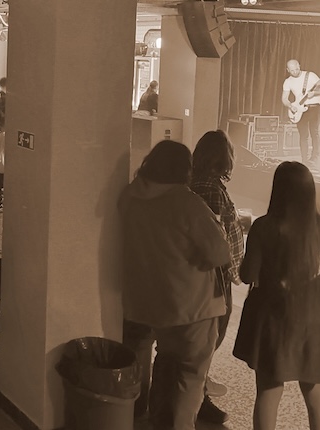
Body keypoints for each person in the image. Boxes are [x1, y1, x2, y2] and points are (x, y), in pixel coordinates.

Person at [233, 161, 320, 430]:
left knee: (269, 390)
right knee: (315, 392)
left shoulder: (263, 227)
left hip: (275, 321)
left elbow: (248, 275)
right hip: (315, 322)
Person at [119, 140, 230, 430]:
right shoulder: (187, 203)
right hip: (191, 306)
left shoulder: (129, 195)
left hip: (148, 300)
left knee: (165, 362)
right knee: (189, 376)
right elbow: (219, 254)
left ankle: (154, 419)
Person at [190, 130, 244, 424]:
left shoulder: (195, 184)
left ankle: (198, 384)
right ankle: (199, 396)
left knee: (203, 336)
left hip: (203, 273)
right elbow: (215, 236)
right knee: (211, 335)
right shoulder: (210, 189)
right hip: (215, 275)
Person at [281, 60, 320, 166]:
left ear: (299, 66)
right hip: (299, 109)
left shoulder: (311, 75)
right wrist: (291, 106)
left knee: (314, 132)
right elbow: (284, 98)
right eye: (292, 70)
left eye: (297, 69)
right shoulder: (288, 81)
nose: (295, 72)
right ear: (288, 70)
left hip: (314, 106)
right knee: (303, 135)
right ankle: (304, 159)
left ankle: (314, 158)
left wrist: (314, 93)